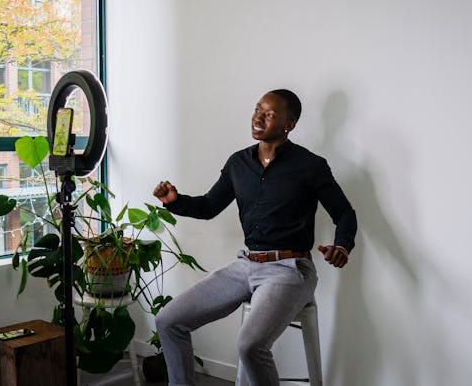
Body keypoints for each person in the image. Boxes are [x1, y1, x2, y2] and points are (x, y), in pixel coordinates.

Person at [152, 89, 357, 386]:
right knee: (168, 321)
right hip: (245, 266)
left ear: (289, 124)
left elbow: (345, 213)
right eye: (257, 109)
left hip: (289, 270)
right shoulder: (239, 163)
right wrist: (176, 201)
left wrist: (342, 245)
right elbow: (209, 206)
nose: (258, 118)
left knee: (249, 345)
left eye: (269, 114)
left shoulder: (310, 165)